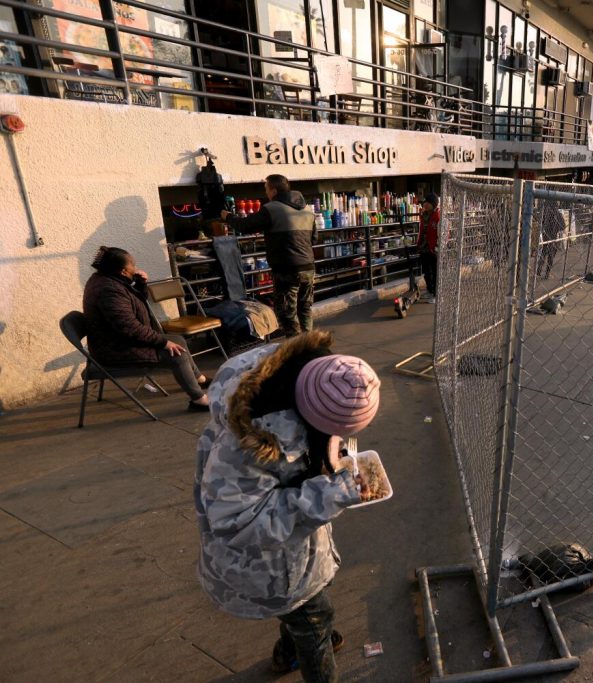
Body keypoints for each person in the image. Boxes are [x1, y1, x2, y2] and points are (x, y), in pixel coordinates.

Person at [195, 330, 381, 682]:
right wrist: (331, 493)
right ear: (310, 420)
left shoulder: (304, 379)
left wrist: (335, 459)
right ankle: (306, 647)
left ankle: (286, 652)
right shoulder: (250, 446)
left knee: (304, 612)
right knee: (314, 622)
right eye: (336, 431)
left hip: (293, 560)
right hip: (270, 565)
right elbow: (239, 524)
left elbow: (311, 451)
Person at [82, 246, 210, 411]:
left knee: (177, 340)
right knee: (176, 353)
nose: (135, 268)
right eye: (132, 265)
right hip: (115, 350)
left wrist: (140, 285)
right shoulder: (108, 290)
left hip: (119, 341)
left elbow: (134, 303)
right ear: (123, 271)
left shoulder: (108, 279)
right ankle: (199, 400)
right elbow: (129, 327)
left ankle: (198, 378)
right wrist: (162, 343)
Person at [222, 174, 316, 337]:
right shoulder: (307, 210)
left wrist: (227, 216)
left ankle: (296, 350)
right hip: (308, 267)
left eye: (266, 189)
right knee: (305, 308)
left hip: (286, 269)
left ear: (273, 190)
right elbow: (314, 238)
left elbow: (245, 226)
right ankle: (311, 345)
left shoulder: (272, 209)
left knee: (287, 314)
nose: (266, 193)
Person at [416, 192, 440, 302]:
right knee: (426, 271)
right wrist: (419, 243)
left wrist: (438, 246)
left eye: (427, 202)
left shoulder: (438, 216)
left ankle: (435, 294)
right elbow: (422, 231)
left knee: (434, 272)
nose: (425, 204)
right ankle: (430, 291)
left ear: (433, 204)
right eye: (425, 202)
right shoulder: (424, 215)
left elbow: (444, 233)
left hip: (433, 248)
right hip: (424, 247)